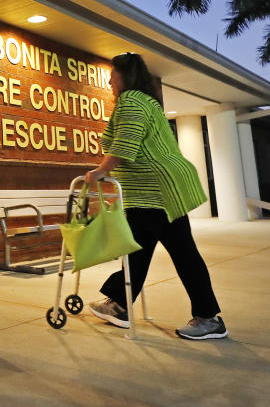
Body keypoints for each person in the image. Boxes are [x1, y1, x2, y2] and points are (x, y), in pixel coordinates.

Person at [85, 53, 227, 340]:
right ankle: (124, 305)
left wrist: (99, 172)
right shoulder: (149, 102)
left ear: (126, 76)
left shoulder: (132, 101)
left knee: (153, 250)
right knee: (153, 250)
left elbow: (126, 143)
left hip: (153, 191)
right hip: (163, 188)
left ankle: (205, 318)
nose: (110, 81)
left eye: (113, 75)